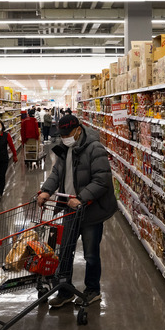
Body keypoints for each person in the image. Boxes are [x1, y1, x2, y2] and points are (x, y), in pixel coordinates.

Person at [37, 114, 117, 307]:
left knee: (90, 254)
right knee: (64, 251)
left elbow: (102, 180)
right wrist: (46, 190)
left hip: (91, 211)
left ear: (78, 130)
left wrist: (81, 198)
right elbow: (57, 173)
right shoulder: (65, 148)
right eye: (62, 134)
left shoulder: (95, 148)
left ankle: (93, 290)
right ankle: (65, 291)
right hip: (69, 210)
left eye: (67, 133)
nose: (64, 137)